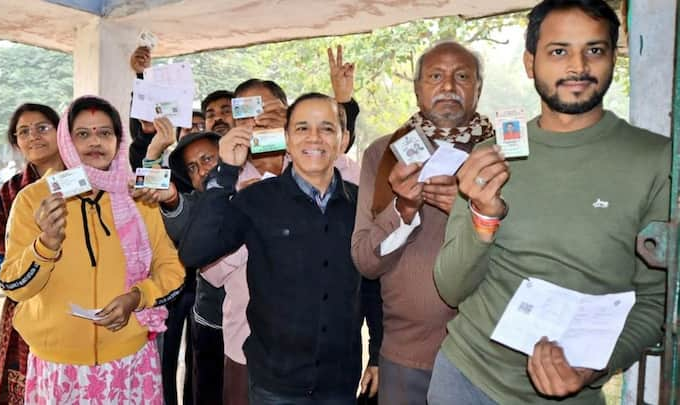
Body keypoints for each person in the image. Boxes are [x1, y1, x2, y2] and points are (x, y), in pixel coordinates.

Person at [430, 1, 669, 403]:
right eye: (559, 51)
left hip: (572, 393)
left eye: (595, 50)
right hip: (465, 378)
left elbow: (656, 302)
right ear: (530, 63)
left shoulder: (657, 160)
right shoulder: (491, 157)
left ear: (614, 56)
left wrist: (594, 366)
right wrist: (483, 216)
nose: (577, 67)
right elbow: (451, 289)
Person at [161, 92, 381, 404]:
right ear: (287, 139)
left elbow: (371, 282)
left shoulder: (359, 203)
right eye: (302, 128)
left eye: (327, 128)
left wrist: (377, 352)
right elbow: (195, 253)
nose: (314, 138)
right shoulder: (256, 199)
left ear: (342, 139)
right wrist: (225, 173)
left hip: (339, 381)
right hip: (274, 382)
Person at [0, 96, 185, 403]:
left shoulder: (137, 195)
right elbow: (13, 286)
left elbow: (172, 269)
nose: (95, 142)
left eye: (105, 133)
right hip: (59, 369)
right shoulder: (34, 200)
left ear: (119, 140)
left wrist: (137, 297)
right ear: (66, 141)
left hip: (129, 363)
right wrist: (45, 246)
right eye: (82, 134)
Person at [351, 40, 493, 405]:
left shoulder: (500, 156)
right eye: (435, 76)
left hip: (488, 356)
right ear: (417, 89)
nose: (448, 87)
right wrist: (404, 209)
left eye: (462, 76)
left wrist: (473, 214)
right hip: (406, 356)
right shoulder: (384, 155)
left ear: (478, 88)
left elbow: (533, 251)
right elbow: (366, 261)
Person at [0, 103, 65, 405]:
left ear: (61, 132)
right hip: (27, 314)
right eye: (24, 132)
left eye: (42, 127)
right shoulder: (10, 193)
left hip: (83, 309)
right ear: (16, 143)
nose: (33, 137)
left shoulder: (88, 182)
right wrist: (33, 270)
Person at [167, 131, 226, 405]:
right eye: (192, 167)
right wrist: (170, 200)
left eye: (207, 159)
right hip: (211, 322)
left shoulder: (257, 191)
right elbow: (179, 221)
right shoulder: (195, 203)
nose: (202, 170)